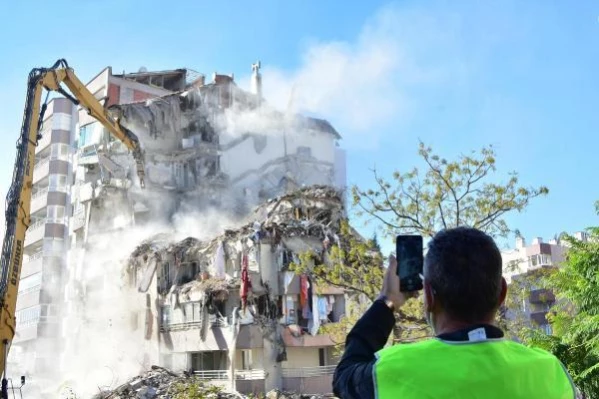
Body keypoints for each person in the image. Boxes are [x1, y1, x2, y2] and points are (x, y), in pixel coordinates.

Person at [333, 227, 579, 399]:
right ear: (502, 292)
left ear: (428, 297)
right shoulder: (551, 370)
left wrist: (387, 301)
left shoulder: (392, 370)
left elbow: (344, 375)